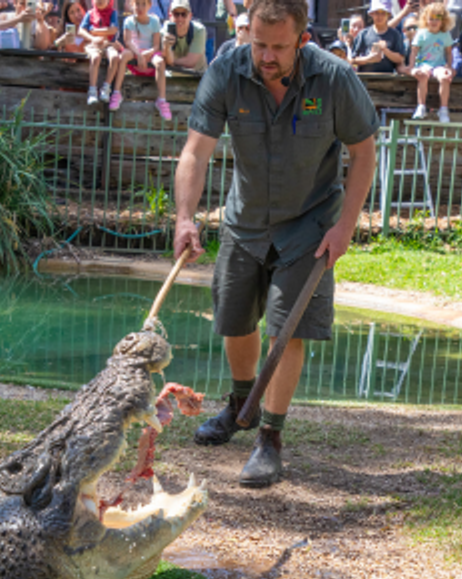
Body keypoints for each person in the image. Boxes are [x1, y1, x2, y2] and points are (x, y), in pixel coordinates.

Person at [172, 0, 378, 488]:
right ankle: (240, 408)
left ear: (302, 40)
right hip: (245, 220)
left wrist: (345, 226)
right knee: (234, 319)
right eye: (257, 43)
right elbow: (196, 152)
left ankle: (269, 436)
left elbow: (364, 152)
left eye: (278, 47)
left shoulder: (334, 78)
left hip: (310, 222)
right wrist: (184, 218)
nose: (264, 56)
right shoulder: (226, 70)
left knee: (287, 331)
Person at [123, 0, 171, 119]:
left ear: (149, 5)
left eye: (143, 4)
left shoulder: (154, 21)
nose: (140, 7)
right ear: (132, 5)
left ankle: (162, 99)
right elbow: (128, 42)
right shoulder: (129, 21)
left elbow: (156, 45)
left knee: (160, 62)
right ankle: (116, 92)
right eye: (137, 4)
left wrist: (147, 53)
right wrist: (139, 54)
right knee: (121, 57)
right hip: (135, 57)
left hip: (150, 57)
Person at [407, 1, 454, 122]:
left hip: (438, 65)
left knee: (444, 78)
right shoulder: (422, 33)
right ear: (425, 19)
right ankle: (421, 106)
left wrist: (449, 66)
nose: (434, 22)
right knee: (422, 76)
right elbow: (414, 51)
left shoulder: (445, 34)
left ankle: (443, 109)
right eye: (431, 18)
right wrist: (412, 67)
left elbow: (448, 52)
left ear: (443, 20)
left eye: (437, 19)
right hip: (423, 64)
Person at [79, 0, 127, 109]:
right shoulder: (90, 13)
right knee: (95, 58)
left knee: (115, 57)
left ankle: (106, 86)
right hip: (93, 44)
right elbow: (81, 30)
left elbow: (113, 30)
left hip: (108, 43)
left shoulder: (112, 13)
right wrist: (92, 38)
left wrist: (94, 31)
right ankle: (92, 90)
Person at [348, 0, 405, 74]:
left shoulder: (395, 35)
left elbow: (400, 59)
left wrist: (385, 50)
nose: (379, 16)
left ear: (388, 14)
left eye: (383, 13)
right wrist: (369, 59)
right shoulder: (363, 34)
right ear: (372, 14)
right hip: (365, 78)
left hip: (388, 79)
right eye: (377, 13)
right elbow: (353, 60)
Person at [161, 0, 208, 74]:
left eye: (183, 14)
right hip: (173, 77)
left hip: (197, 76)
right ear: (170, 16)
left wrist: (171, 61)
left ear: (190, 16)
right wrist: (166, 47)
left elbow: (190, 62)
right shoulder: (166, 30)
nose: (180, 18)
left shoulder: (199, 30)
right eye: (176, 14)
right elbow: (164, 58)